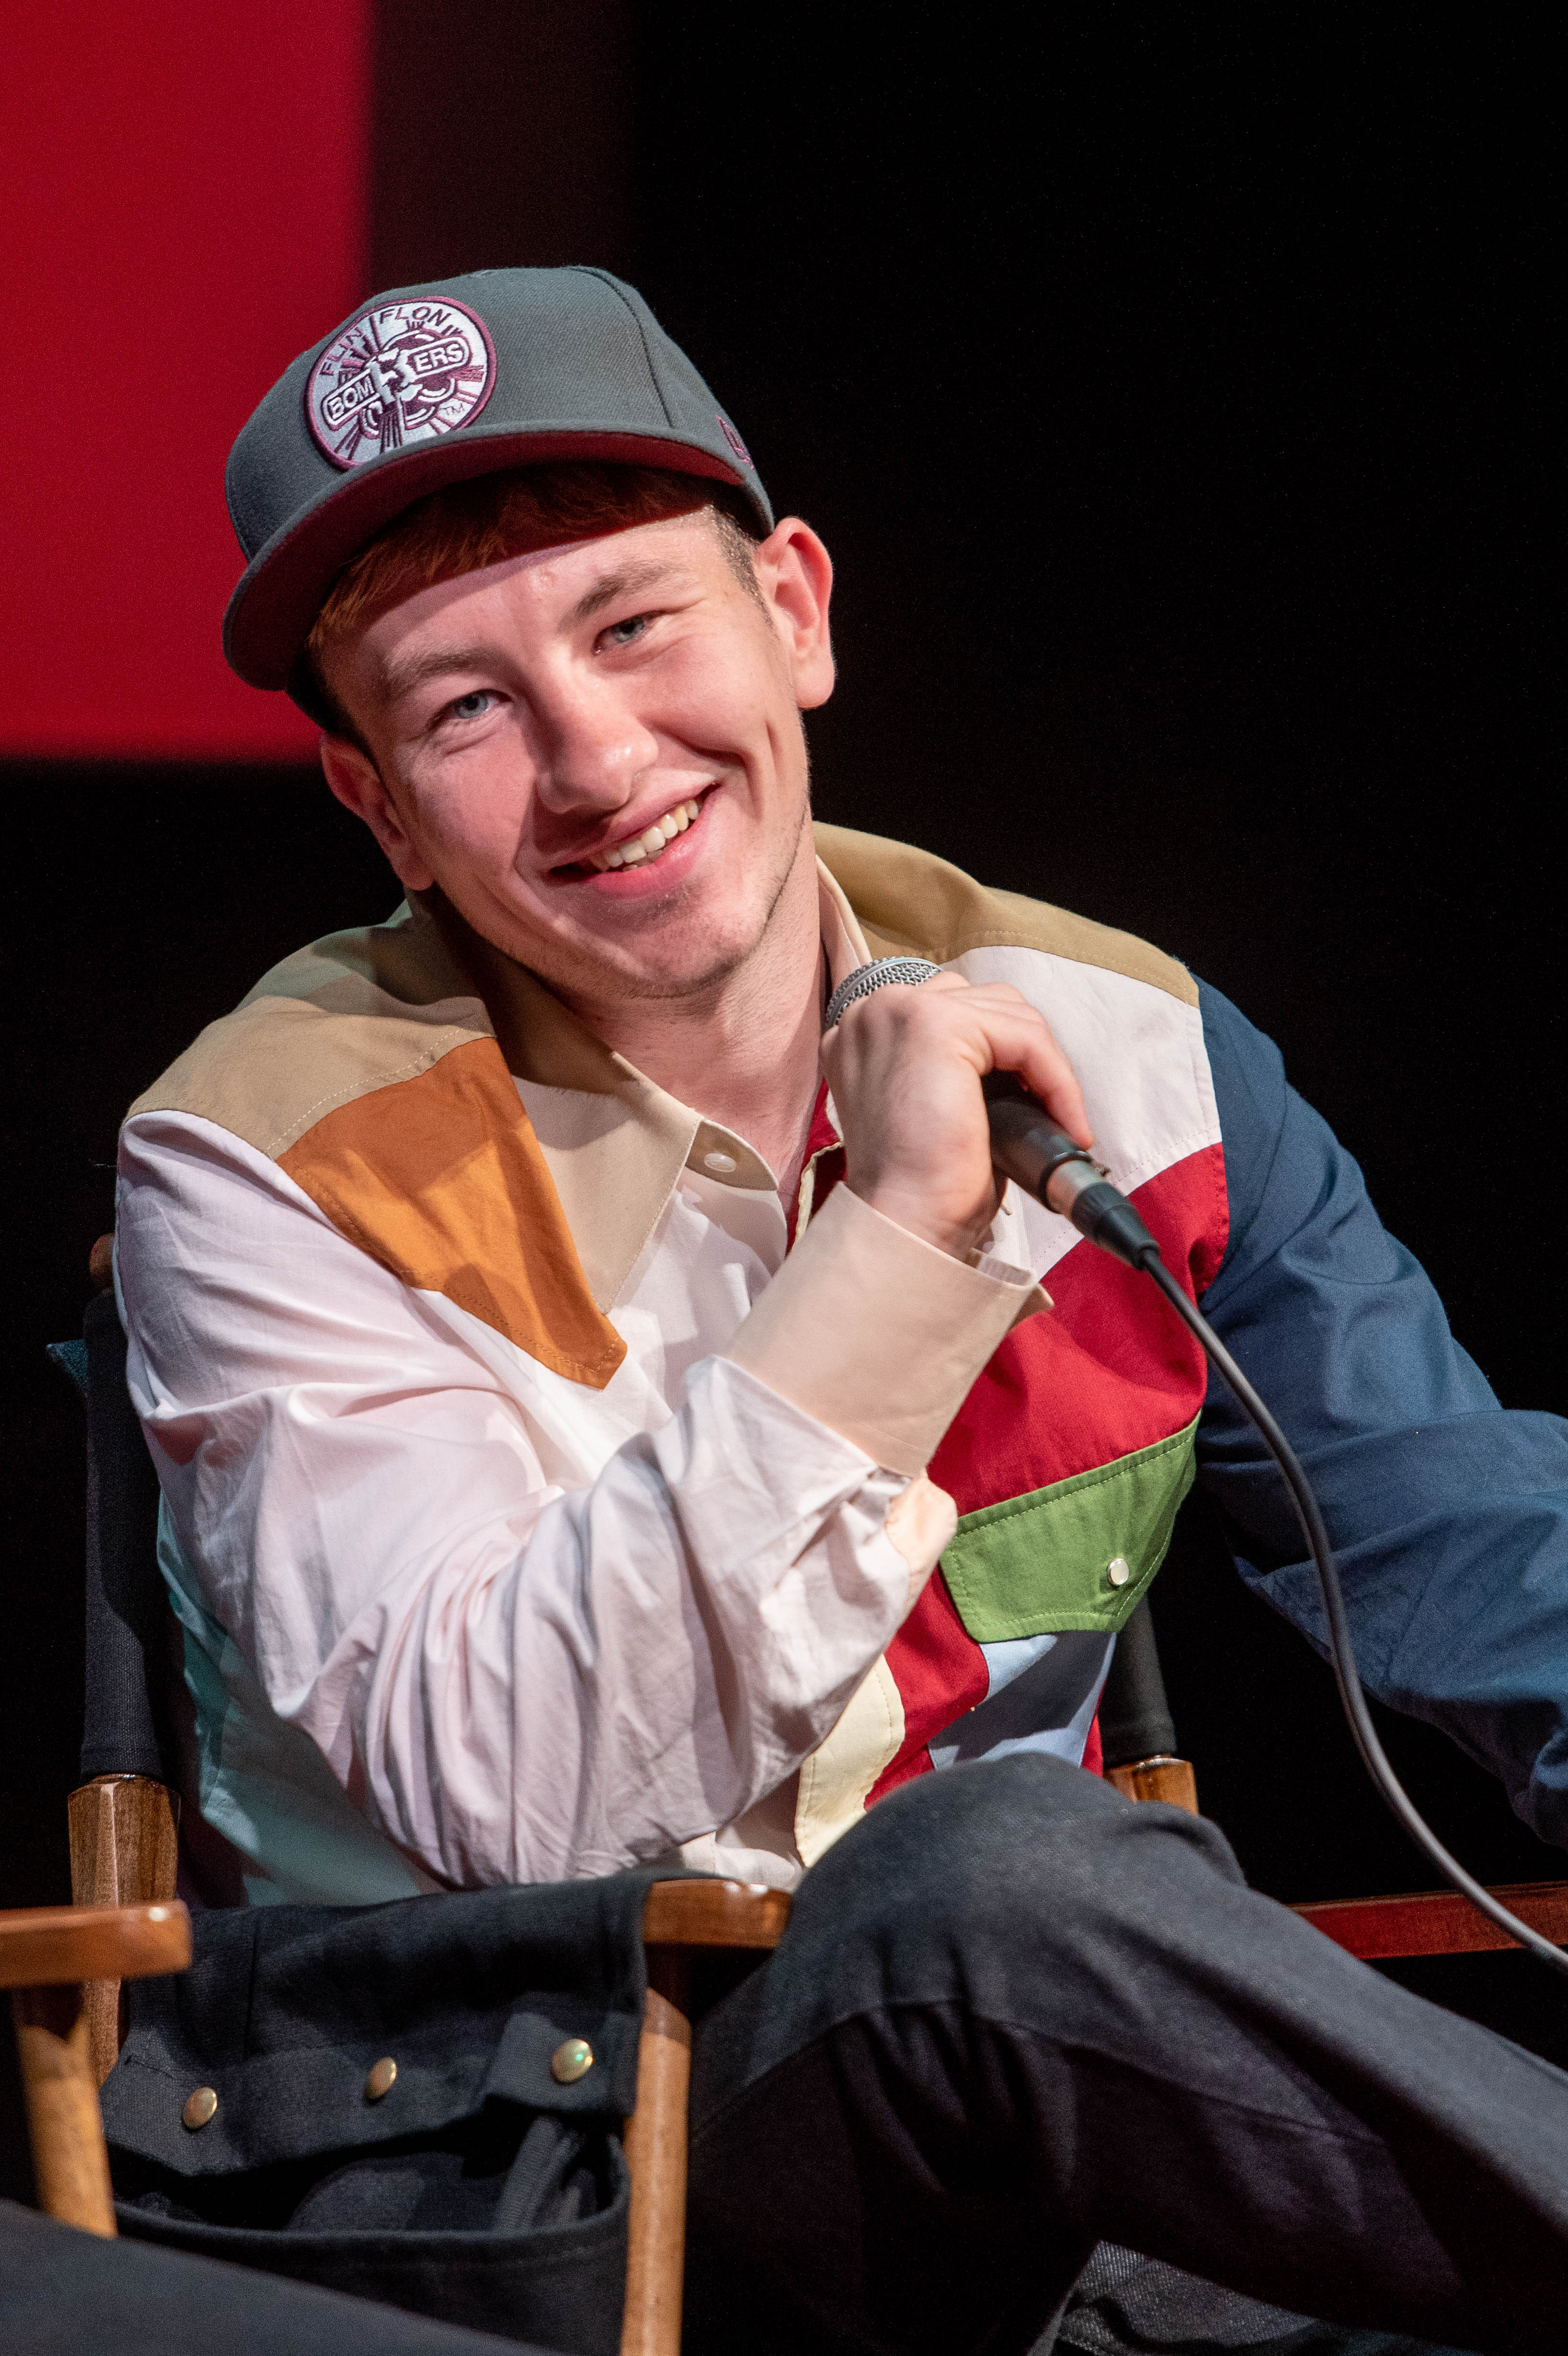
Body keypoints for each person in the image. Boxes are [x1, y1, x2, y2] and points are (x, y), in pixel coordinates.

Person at [111, 268, 1568, 2352]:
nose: (597, 757)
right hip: (510, 2171)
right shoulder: (262, 1156)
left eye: (634, 627)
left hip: (1050, 2177)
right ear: (378, 808)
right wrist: (890, 1236)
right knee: (990, 1883)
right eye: (465, 704)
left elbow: (1476, 1545)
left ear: (793, 611)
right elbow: (523, 1807)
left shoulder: (1129, 1051)